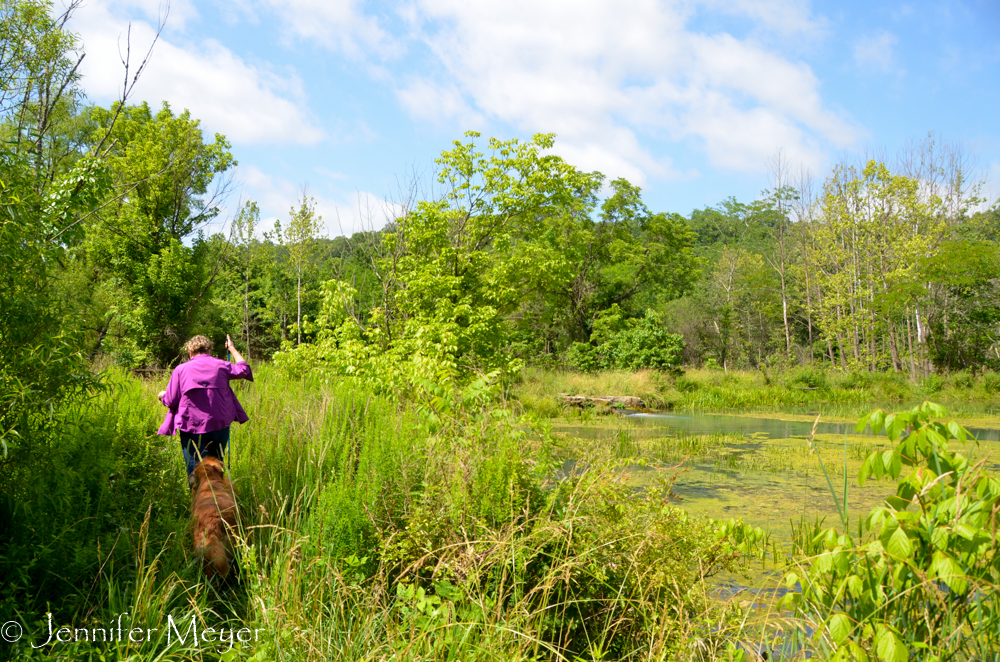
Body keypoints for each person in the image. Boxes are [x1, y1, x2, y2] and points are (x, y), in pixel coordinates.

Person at [157, 334, 253, 490]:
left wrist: (162, 396)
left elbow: (171, 400)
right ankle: (219, 504)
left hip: (192, 428)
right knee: (215, 470)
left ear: (190, 353)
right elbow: (244, 369)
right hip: (219, 427)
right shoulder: (221, 365)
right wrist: (232, 348)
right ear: (209, 350)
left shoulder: (181, 369)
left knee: (196, 474)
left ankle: (199, 506)